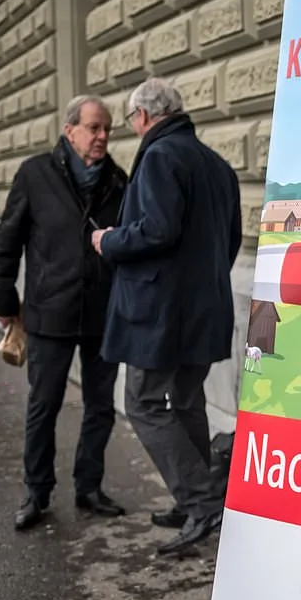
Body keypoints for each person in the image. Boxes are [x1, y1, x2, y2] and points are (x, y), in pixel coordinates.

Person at [92, 77, 242, 555]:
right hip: (205, 308)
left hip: (160, 315)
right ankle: (193, 498)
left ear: (142, 116)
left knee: (143, 402)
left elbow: (157, 230)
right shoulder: (217, 164)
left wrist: (109, 240)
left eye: (131, 119)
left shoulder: (159, 156)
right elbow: (230, 240)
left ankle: (201, 501)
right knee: (187, 400)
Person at [0, 95, 130, 530]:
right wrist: (4, 301)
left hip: (102, 313)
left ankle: (89, 487)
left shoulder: (118, 180)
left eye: (107, 128)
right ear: (70, 130)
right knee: (44, 404)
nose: (102, 136)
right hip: (49, 311)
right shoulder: (35, 173)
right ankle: (36, 491)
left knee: (100, 406)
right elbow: (7, 241)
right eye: (94, 127)